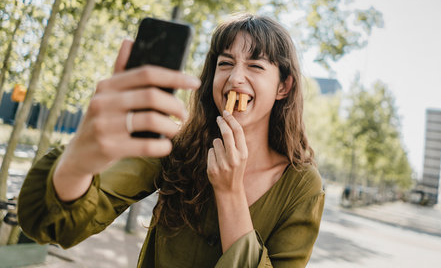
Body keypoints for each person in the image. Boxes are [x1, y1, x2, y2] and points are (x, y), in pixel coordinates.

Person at [18, 13, 325, 267]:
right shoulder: (176, 146)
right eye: (225, 63)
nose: (235, 78)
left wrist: (229, 192)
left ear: (283, 86)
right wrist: (79, 161)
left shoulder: (302, 186)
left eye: (256, 66)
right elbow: (57, 224)